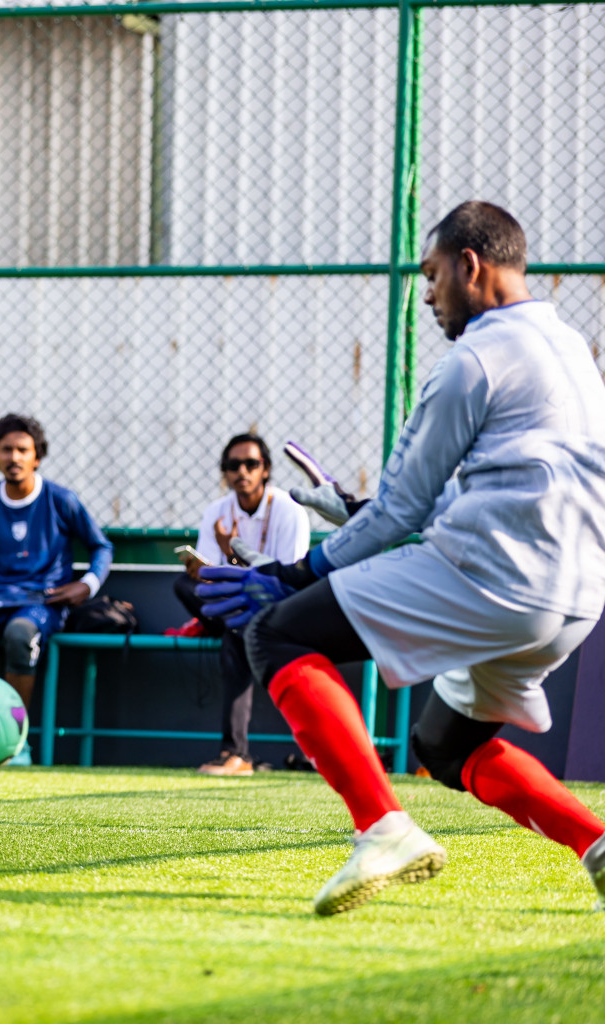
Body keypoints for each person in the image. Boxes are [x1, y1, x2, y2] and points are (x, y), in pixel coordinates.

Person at [198, 202, 605, 915]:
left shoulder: (472, 360)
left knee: (278, 631)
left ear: (469, 266)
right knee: (445, 744)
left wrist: (294, 573)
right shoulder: (571, 348)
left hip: (493, 577)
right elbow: (497, 486)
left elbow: (402, 510)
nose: (427, 295)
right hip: (575, 597)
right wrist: (357, 513)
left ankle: (383, 828)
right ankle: (598, 844)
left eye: (431, 275)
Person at [0, 414, 114, 737]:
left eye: (22, 450)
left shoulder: (61, 500)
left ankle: (12, 739)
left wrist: (86, 585)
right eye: (5, 450)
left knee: (20, 635)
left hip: (40, 604)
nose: (14, 457)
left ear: (36, 457)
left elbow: (101, 547)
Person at [173, 434, 309, 776]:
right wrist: (203, 568)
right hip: (232, 608)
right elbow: (207, 579)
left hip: (280, 607)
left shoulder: (290, 511)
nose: (242, 472)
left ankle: (235, 754)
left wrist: (232, 554)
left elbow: (286, 581)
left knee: (235, 628)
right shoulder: (216, 511)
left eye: (252, 464)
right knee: (186, 587)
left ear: (266, 470)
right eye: (233, 466)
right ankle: (236, 755)